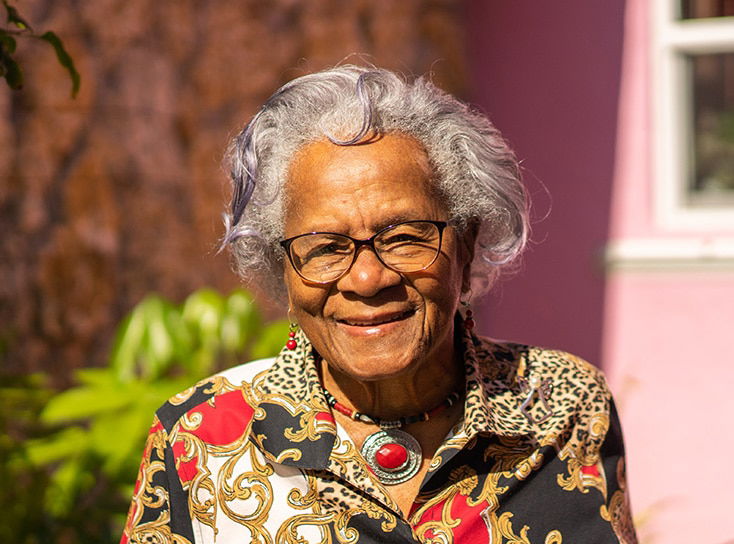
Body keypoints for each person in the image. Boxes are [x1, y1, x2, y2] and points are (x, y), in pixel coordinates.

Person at [121, 66, 637, 544]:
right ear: (280, 266)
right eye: (325, 248)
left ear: (467, 239)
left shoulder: (563, 404)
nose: (368, 279)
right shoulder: (202, 432)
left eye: (405, 237)